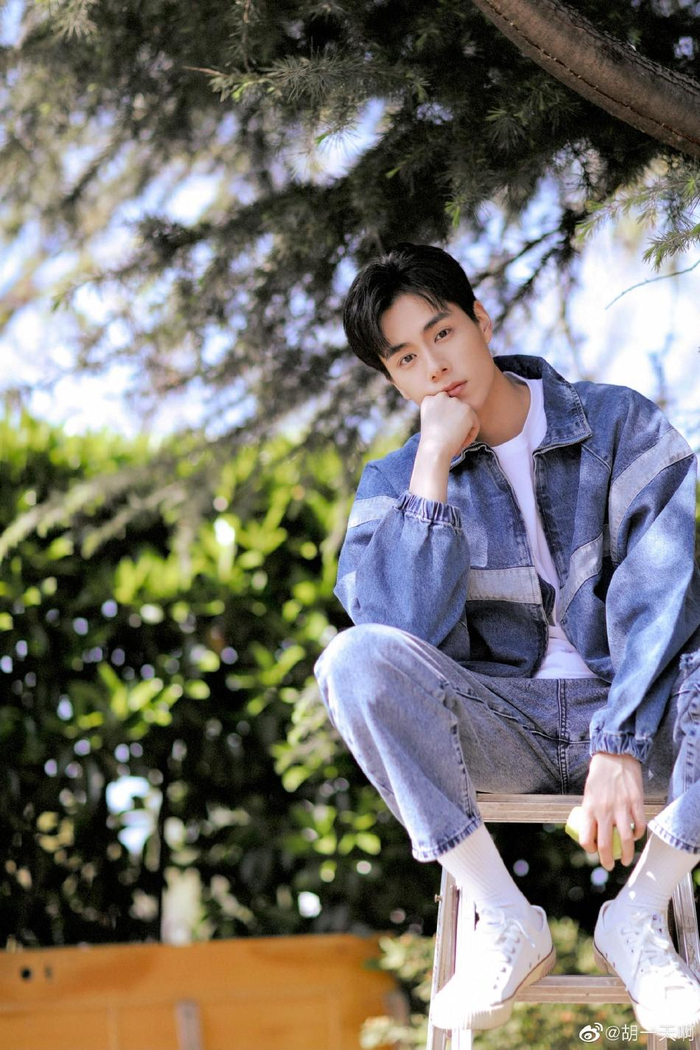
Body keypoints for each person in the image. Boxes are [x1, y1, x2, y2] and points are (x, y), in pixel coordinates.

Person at [313, 242, 700, 1037]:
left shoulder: (617, 421)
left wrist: (620, 737)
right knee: (349, 660)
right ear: (393, 379)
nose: (435, 366)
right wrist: (432, 466)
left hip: (637, 710)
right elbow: (397, 639)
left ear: (481, 321)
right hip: (501, 726)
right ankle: (502, 915)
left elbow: (666, 591)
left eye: (443, 333)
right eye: (406, 358)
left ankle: (642, 907)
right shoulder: (393, 482)